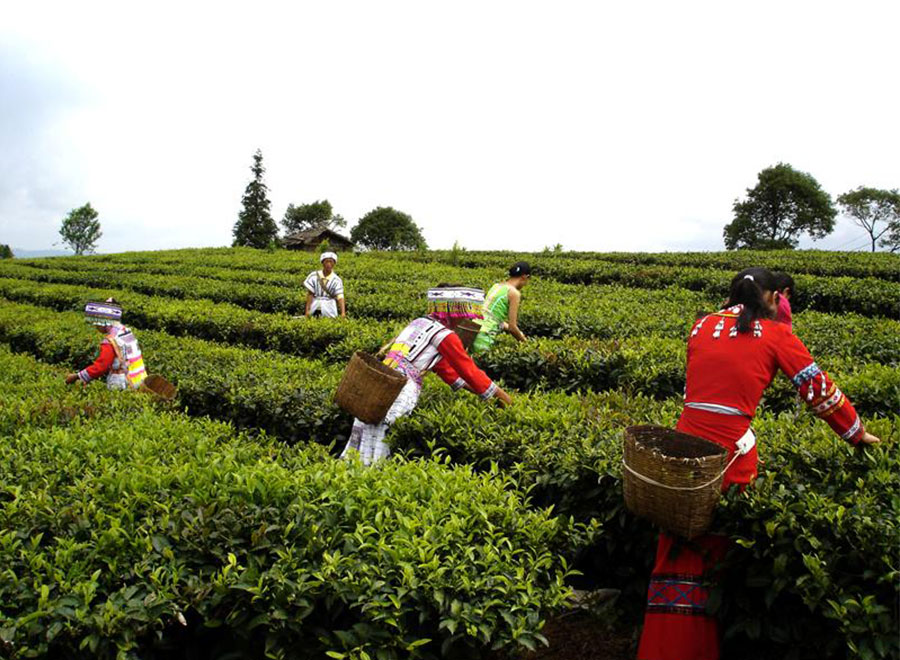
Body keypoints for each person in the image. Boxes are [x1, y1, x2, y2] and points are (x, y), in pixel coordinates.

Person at [637, 267, 880, 660]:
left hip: (683, 453)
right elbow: (816, 387)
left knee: (678, 547)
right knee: (717, 552)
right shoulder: (775, 334)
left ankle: (664, 646)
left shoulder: (702, 325)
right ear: (772, 297)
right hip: (728, 457)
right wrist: (855, 432)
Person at [340, 284, 512, 466]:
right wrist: (503, 397)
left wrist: (487, 394)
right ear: (454, 311)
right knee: (384, 437)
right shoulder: (445, 335)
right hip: (400, 389)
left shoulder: (420, 323)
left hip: (380, 383)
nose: (466, 318)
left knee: (367, 432)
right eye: (464, 313)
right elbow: (469, 371)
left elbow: (449, 373)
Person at [65, 299, 148, 390]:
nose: (96, 326)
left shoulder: (110, 341)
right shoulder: (126, 331)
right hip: (139, 379)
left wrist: (77, 376)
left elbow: (101, 367)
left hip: (123, 383)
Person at [471, 261, 531, 354]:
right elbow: (512, 328)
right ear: (525, 277)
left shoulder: (496, 286)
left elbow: (491, 316)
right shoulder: (514, 293)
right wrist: (526, 343)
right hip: (485, 335)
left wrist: (518, 332)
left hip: (472, 330)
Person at [304, 251, 346, 318]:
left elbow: (340, 297)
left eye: (331, 262)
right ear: (322, 263)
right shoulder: (314, 276)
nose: (329, 264)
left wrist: (343, 313)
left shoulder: (336, 280)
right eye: (326, 261)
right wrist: (307, 311)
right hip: (315, 305)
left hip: (329, 308)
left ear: (334, 263)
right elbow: (310, 294)